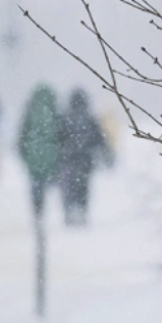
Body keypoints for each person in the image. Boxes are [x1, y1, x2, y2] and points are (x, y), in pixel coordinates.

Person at [58, 88, 111, 226]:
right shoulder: (90, 118)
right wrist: (106, 156)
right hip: (85, 161)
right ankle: (82, 211)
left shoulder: (65, 117)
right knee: (83, 187)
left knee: (68, 186)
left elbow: (58, 138)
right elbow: (100, 139)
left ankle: (69, 212)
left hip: (68, 160)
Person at [18, 84, 62, 220]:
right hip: (51, 156)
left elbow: (22, 137)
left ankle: (38, 210)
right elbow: (61, 135)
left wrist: (25, 155)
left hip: (34, 158)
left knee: (36, 184)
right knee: (51, 184)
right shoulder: (54, 111)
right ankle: (55, 214)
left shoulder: (30, 112)